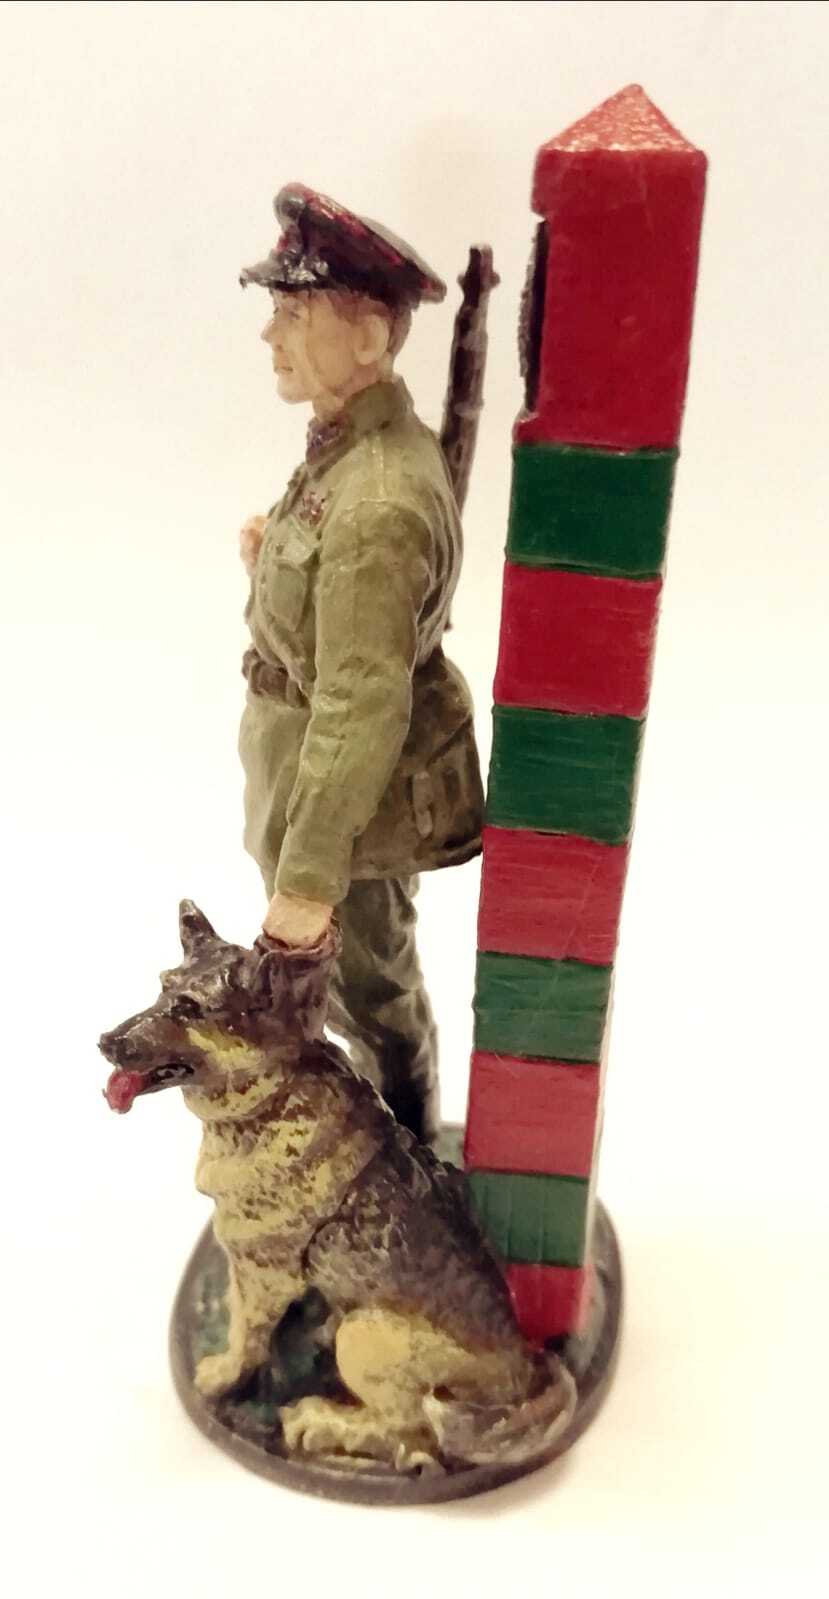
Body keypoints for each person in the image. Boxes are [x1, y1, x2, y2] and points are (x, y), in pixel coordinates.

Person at [237, 184, 483, 1142]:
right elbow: (344, 618)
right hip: (308, 777)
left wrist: (306, 880)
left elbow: (360, 701)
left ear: (371, 337)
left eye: (296, 315)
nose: (272, 336)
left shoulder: (376, 494)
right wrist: (274, 569)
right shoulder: (348, 447)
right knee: (354, 991)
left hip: (348, 812)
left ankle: (407, 1157)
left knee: (369, 995)